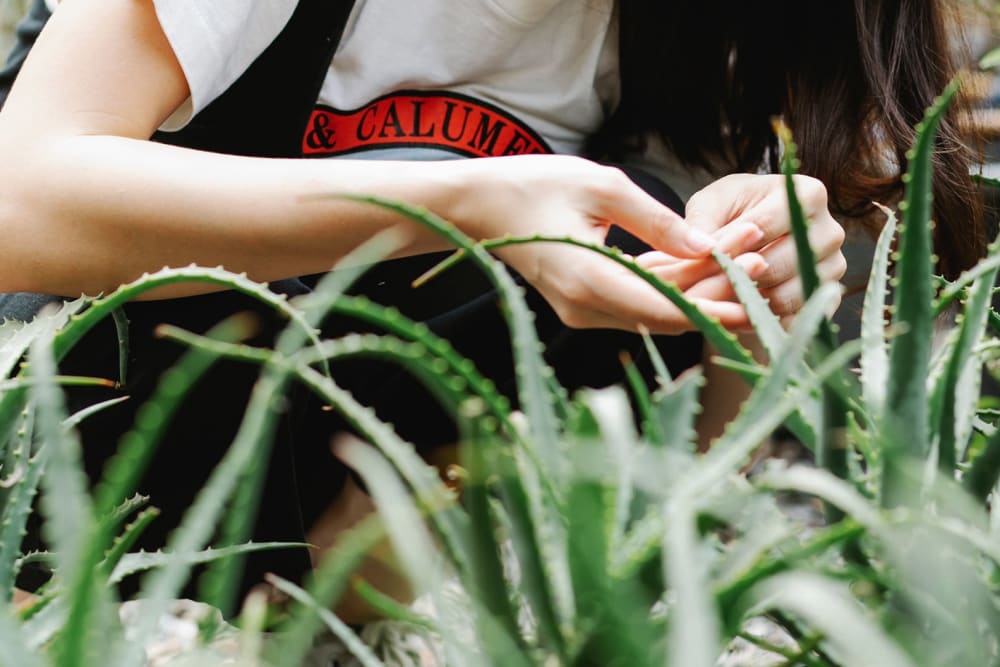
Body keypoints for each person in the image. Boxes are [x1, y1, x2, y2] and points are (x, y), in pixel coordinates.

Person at [0, 0, 976, 617]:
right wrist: (464, 205)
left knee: (638, 226)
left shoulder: (686, 38)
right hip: (84, 443)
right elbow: (21, 201)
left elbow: (701, 466)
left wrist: (756, 295)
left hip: (355, 545)